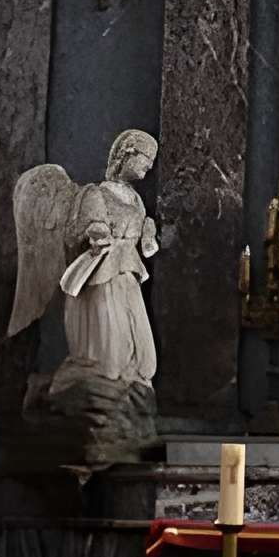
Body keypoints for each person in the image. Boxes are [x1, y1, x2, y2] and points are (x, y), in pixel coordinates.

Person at [61, 128, 160, 384]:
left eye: (152, 161)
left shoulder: (137, 200)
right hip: (105, 273)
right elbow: (83, 231)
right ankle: (107, 381)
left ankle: (131, 380)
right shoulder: (96, 194)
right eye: (146, 158)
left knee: (137, 340)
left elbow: (146, 244)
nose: (149, 166)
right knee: (111, 336)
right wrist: (97, 231)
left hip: (128, 273)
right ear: (127, 154)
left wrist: (149, 233)